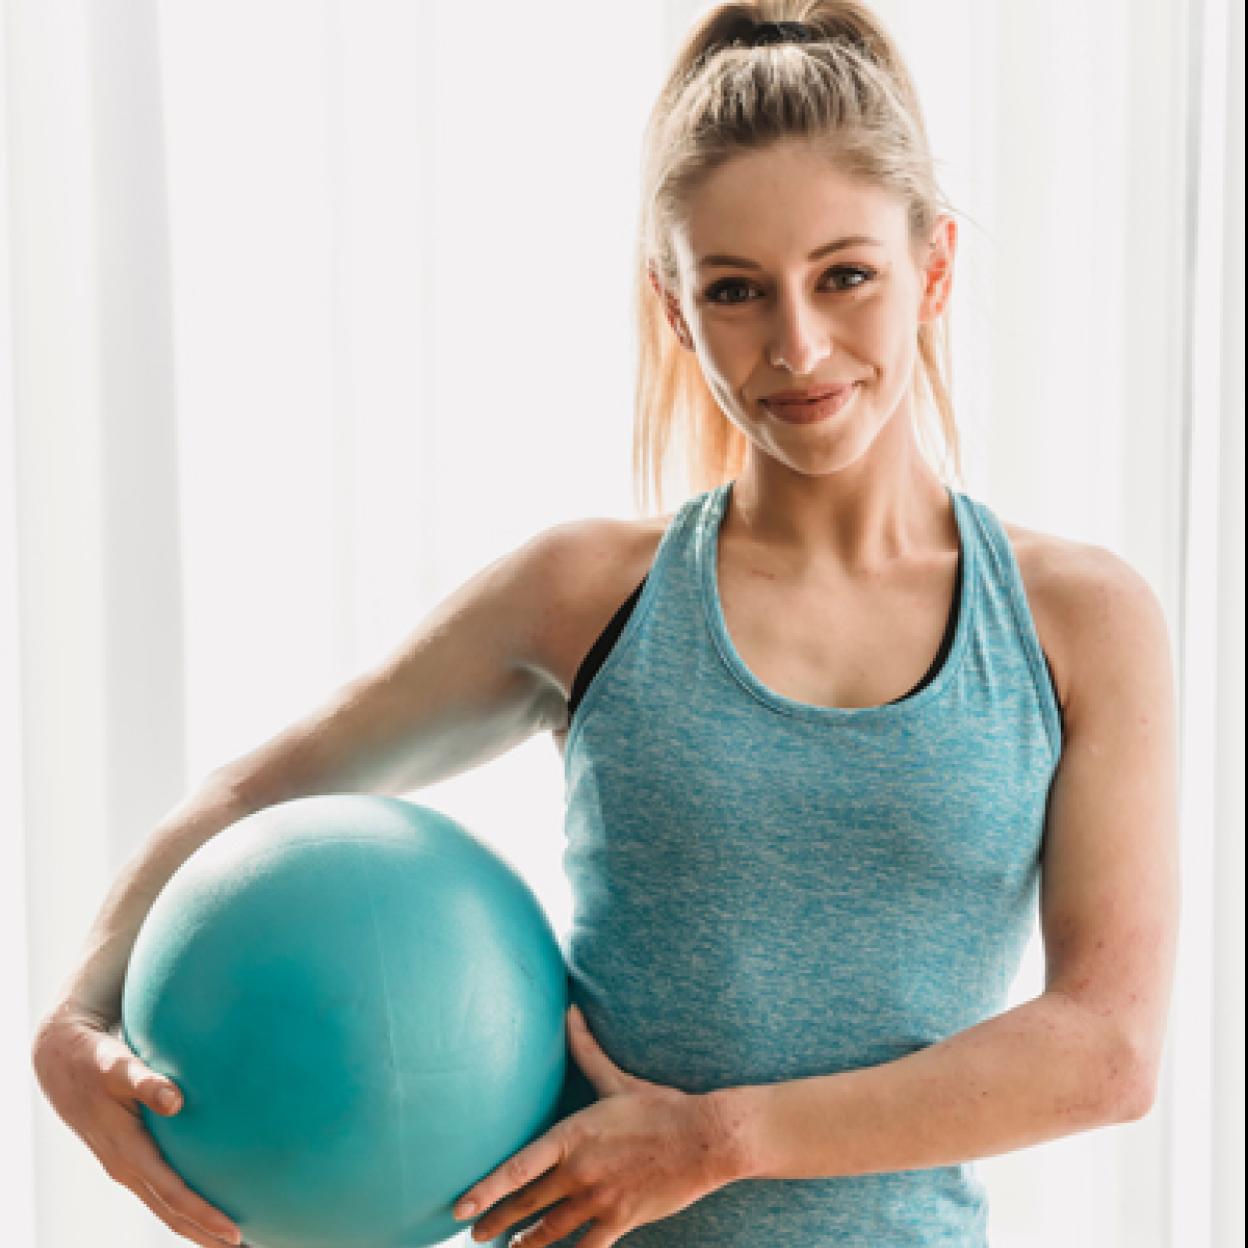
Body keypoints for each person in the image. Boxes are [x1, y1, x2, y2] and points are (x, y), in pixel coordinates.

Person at [31, 4, 1180, 1247]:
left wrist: (715, 1141)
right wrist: (73, 1017)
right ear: (677, 309)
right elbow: (263, 794)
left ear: (935, 269)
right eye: (736, 291)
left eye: (845, 274)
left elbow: (1106, 1050)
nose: (798, 344)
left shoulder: (1077, 622)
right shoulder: (586, 596)